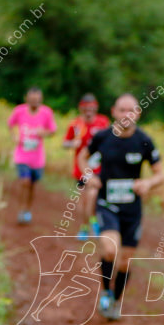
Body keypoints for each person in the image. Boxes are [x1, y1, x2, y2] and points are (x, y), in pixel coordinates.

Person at [78, 94, 164, 320]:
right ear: (113, 112)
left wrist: (148, 183)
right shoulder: (102, 137)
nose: (126, 115)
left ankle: (116, 301)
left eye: (131, 110)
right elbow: (82, 157)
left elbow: (161, 174)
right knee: (109, 250)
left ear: (138, 113)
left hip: (132, 209)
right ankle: (106, 293)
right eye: (122, 110)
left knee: (125, 260)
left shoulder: (144, 141)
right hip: (107, 203)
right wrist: (89, 177)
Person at [62, 94, 110, 239]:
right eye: (85, 108)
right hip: (80, 168)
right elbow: (65, 142)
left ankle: (94, 223)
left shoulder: (103, 122)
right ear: (81, 108)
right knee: (83, 200)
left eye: (91, 107)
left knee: (93, 196)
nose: (88, 110)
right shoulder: (76, 124)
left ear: (96, 107)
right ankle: (84, 227)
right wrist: (72, 144)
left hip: (98, 169)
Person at [8, 87, 57, 225]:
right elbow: (10, 125)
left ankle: (27, 209)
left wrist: (44, 133)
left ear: (40, 100)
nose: (34, 102)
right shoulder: (19, 111)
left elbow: (53, 130)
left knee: (32, 186)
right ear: (27, 99)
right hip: (22, 155)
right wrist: (14, 136)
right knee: (25, 182)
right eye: (32, 99)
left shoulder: (46, 113)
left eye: (37, 100)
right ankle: (21, 210)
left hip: (37, 158)